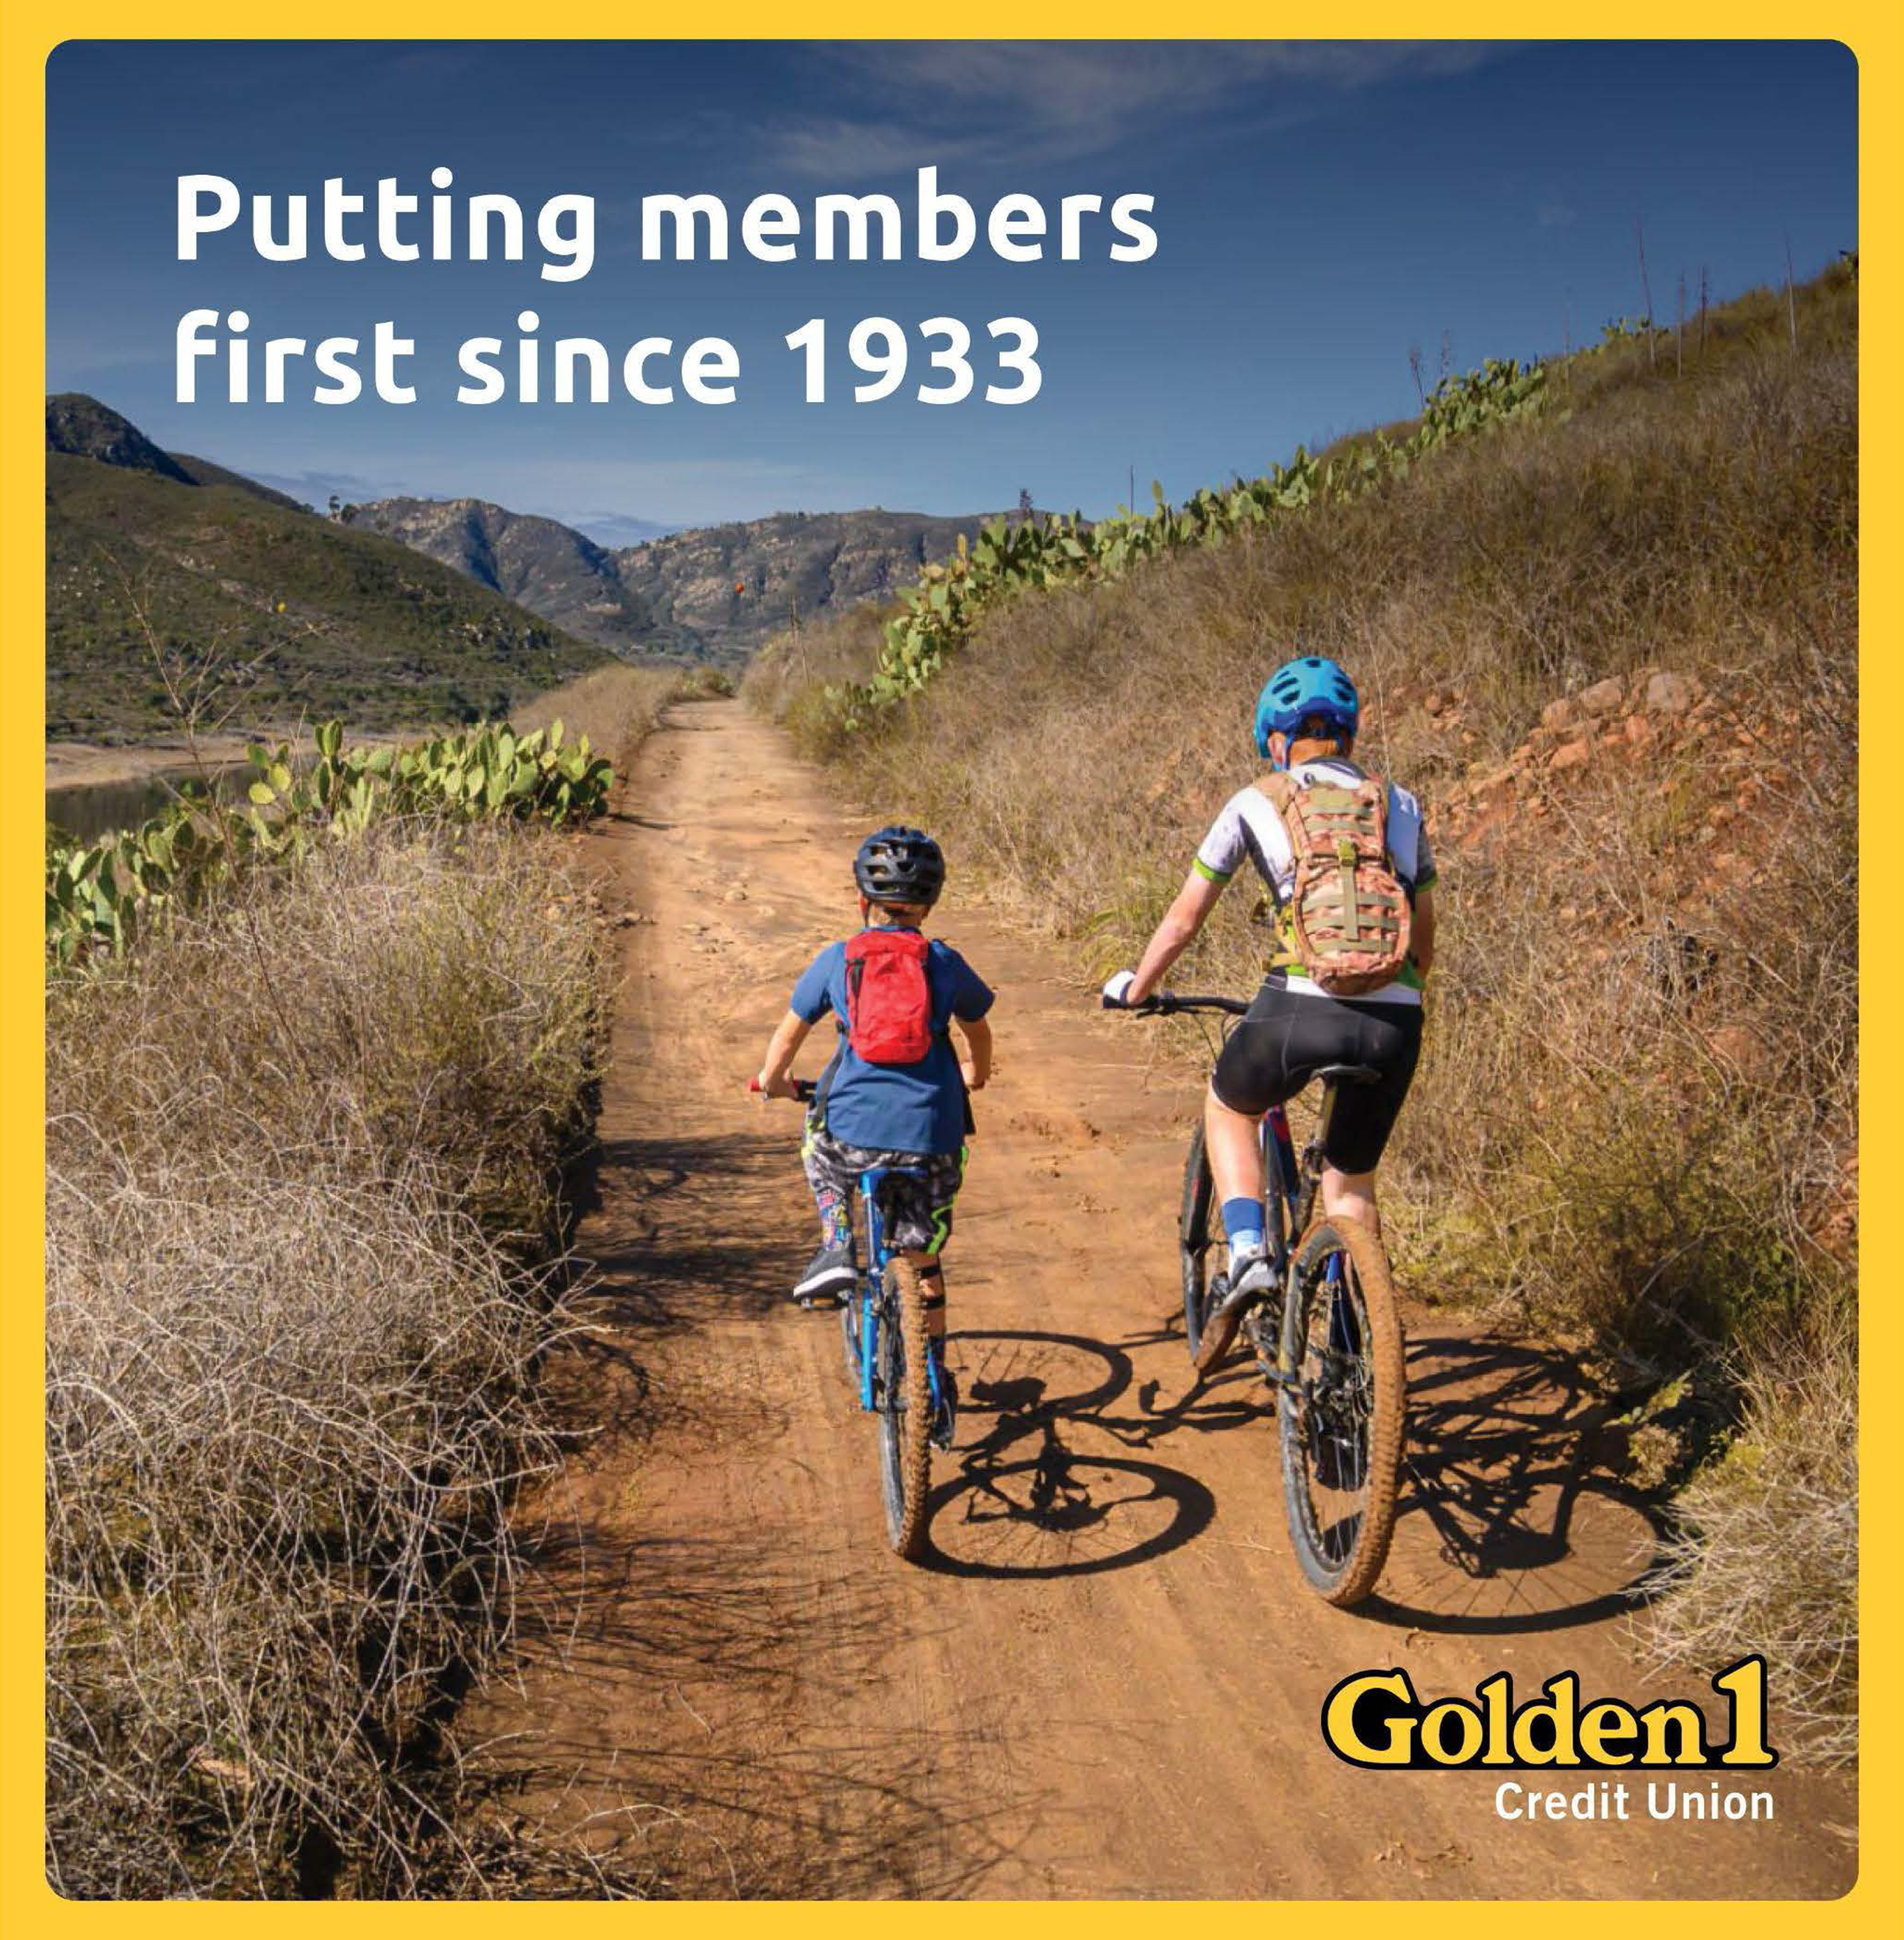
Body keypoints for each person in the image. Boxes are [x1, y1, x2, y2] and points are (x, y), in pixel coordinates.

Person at [1103, 654, 1436, 1367]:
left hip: (1299, 1008)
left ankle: (1249, 1248)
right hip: (1396, 1020)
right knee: (1350, 1190)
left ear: (1275, 738)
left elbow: (1187, 916)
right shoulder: (1400, 804)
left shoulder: (1257, 798)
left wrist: (1138, 985)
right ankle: (1353, 1359)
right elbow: (1425, 937)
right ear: (1346, 733)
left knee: (1229, 1104)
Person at [754, 826, 994, 1436]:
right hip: (934, 1136)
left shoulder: (837, 958)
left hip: (852, 1129)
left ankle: (837, 1242)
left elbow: (788, 1036)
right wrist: (974, 1073)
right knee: (923, 1253)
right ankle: (933, 1383)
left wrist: (774, 1079)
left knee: (820, 1147)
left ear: (863, 899)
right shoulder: (943, 961)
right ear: (929, 906)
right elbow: (979, 1029)